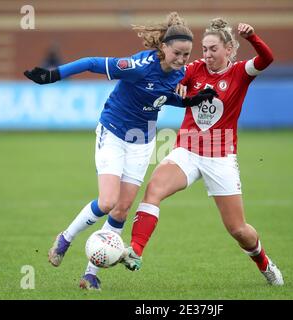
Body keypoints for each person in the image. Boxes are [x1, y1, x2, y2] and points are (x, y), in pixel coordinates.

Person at [23, 12, 217, 290]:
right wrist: (54, 75)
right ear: (163, 47)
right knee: (107, 202)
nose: (182, 60)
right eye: (177, 53)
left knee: (122, 209)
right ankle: (66, 238)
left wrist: (189, 101)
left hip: (142, 141)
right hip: (113, 132)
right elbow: (92, 62)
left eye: (187, 54)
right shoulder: (137, 66)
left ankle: (90, 275)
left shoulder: (181, 72)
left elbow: (160, 97)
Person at [122, 18, 284, 286]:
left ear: (229, 49)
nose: (207, 55)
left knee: (238, 230)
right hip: (187, 150)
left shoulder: (241, 73)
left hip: (220, 157)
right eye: (204, 49)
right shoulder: (194, 69)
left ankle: (264, 263)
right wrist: (176, 85)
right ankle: (135, 251)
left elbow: (267, 59)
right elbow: (172, 78)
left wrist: (253, 38)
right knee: (154, 190)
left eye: (213, 49)